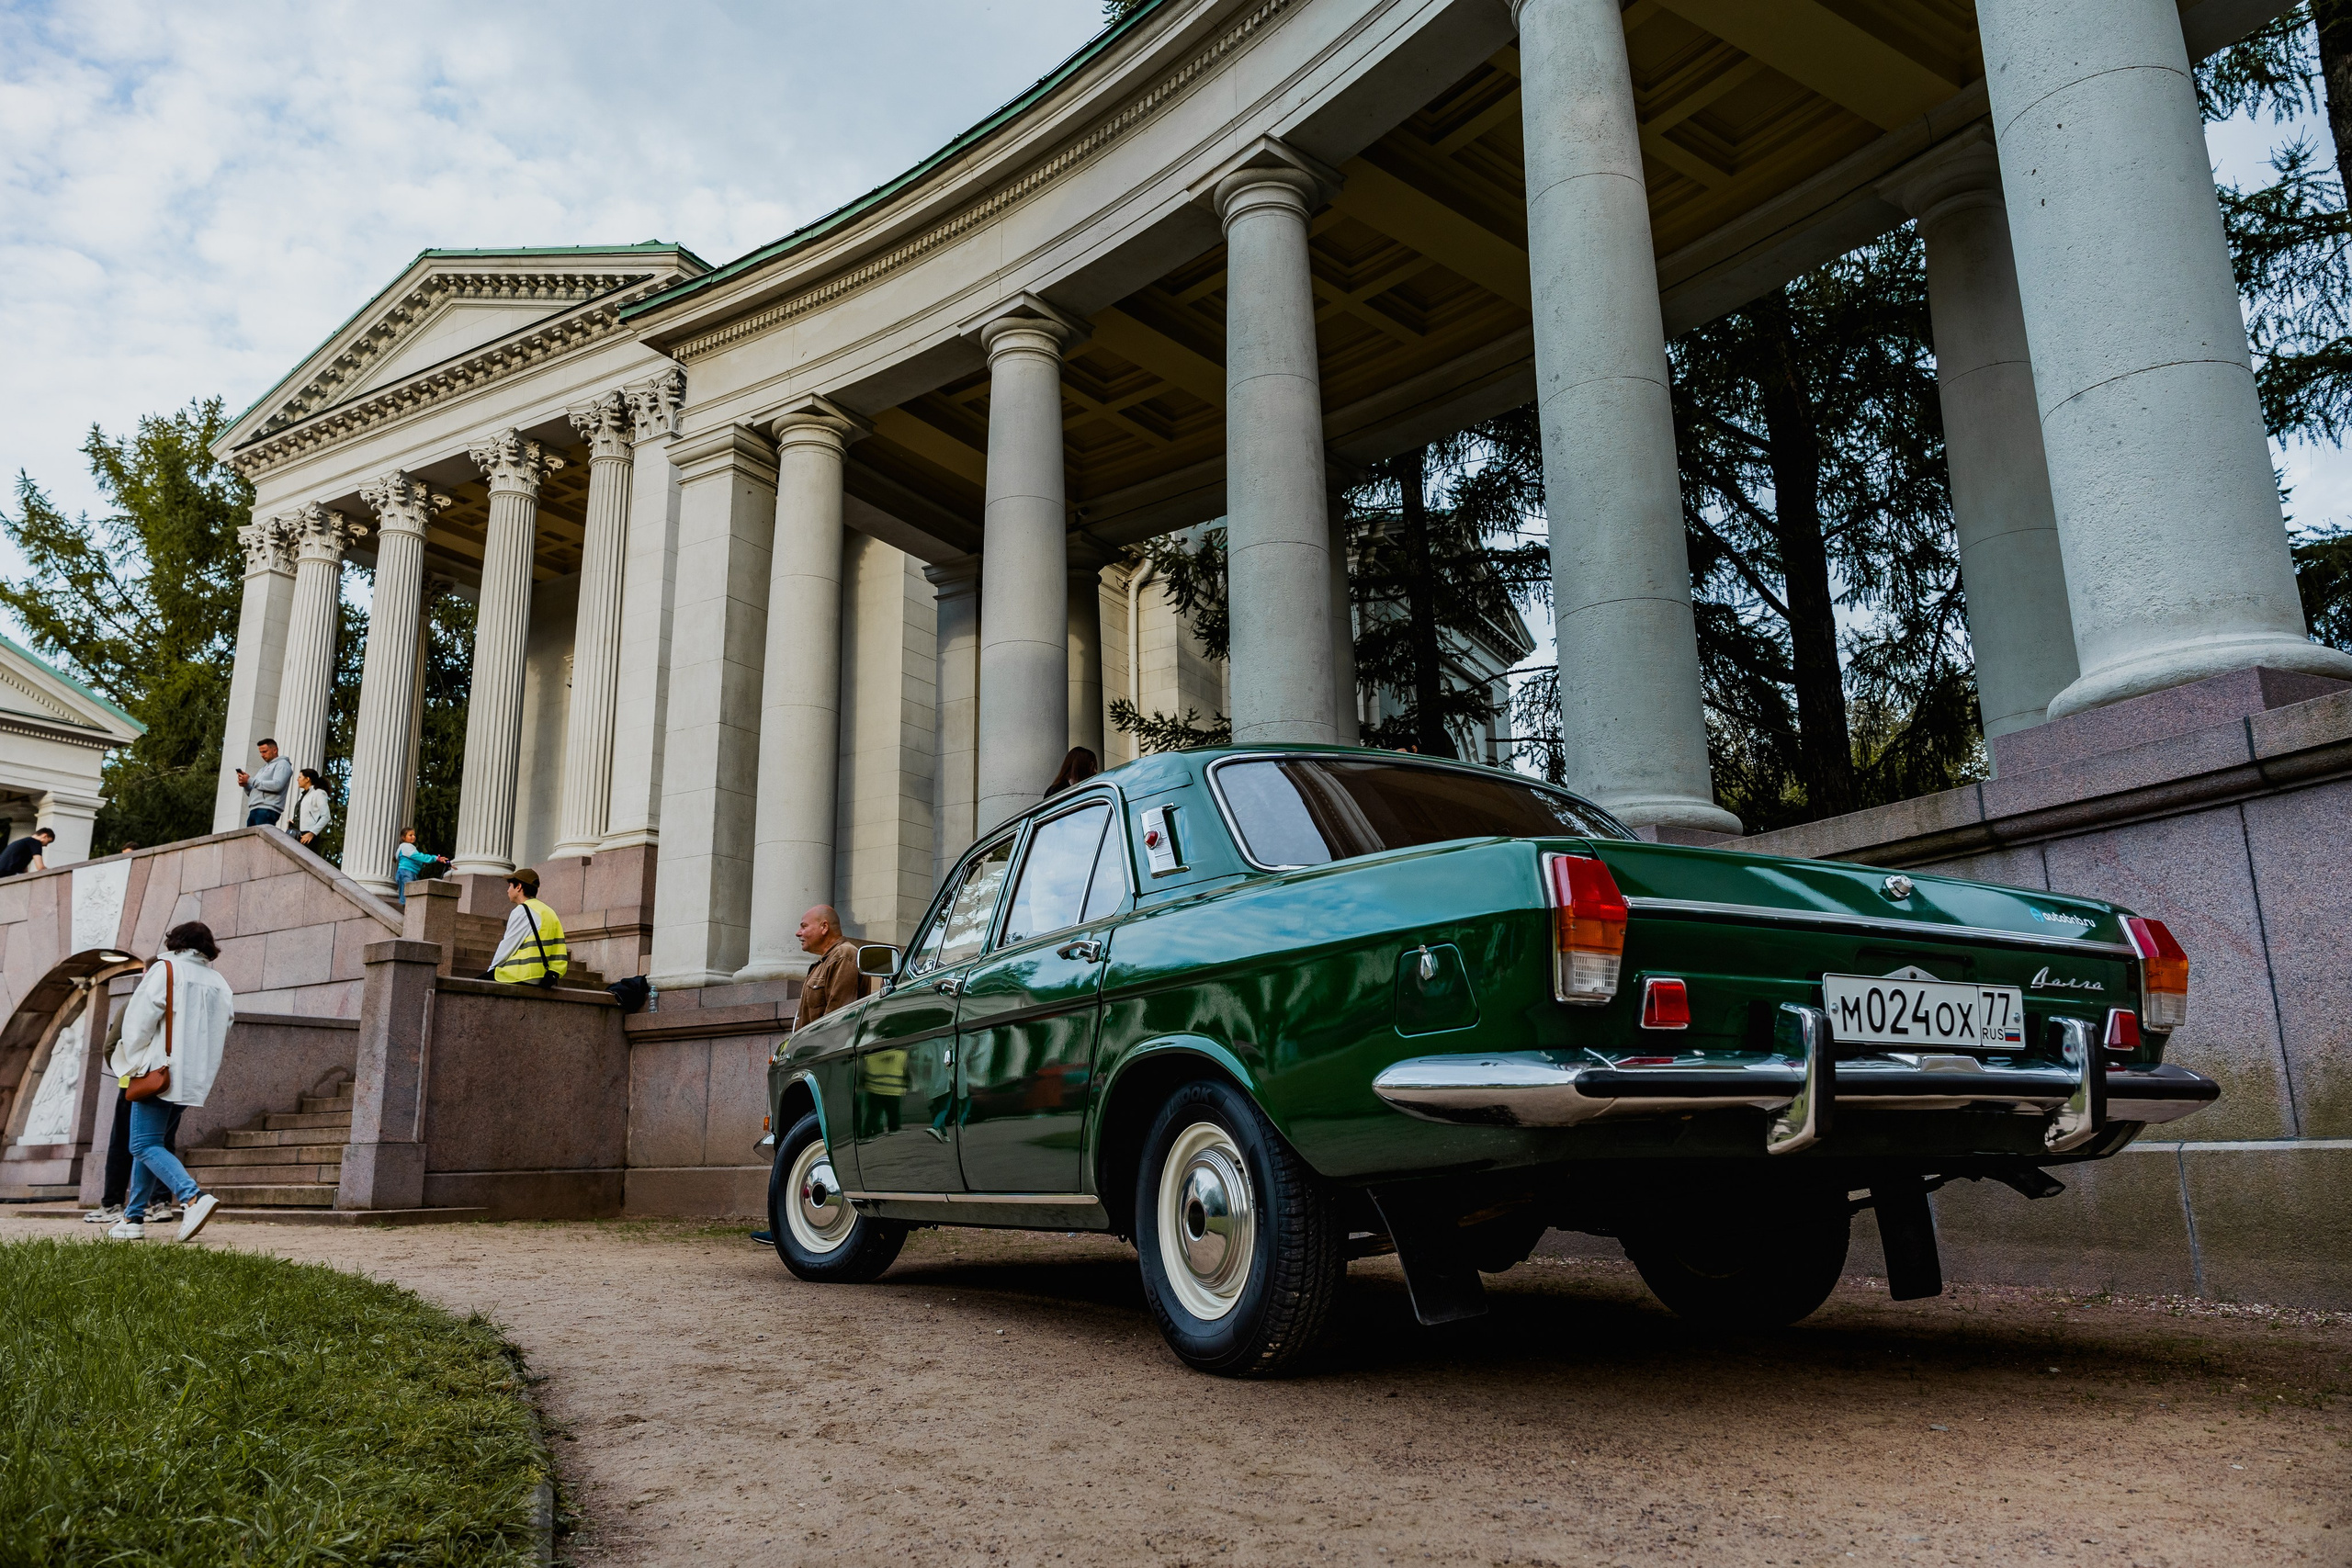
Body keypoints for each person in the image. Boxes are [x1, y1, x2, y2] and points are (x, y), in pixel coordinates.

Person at [105, 921, 234, 1243]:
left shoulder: (165, 969)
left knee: (142, 1144)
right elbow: (225, 1027)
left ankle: (193, 1198)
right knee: (153, 1144)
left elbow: (137, 1023)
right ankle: (133, 1218)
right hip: (192, 1077)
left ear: (175, 942)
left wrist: (132, 1062)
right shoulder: (218, 981)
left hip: (158, 1071)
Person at [82, 991, 185, 1226]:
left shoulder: (137, 1001)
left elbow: (111, 1045)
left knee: (126, 1144)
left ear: (146, 973)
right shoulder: (182, 1002)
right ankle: (161, 1204)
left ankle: (112, 1204)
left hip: (136, 1084)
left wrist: (124, 1069)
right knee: (163, 1142)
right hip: (170, 1083)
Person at [485, 868, 568, 987]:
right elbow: (559, 949)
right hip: (543, 977)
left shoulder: (522, 911)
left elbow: (507, 946)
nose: (507, 890)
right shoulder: (548, 911)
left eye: (510, 886)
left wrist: (491, 970)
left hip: (519, 974)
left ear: (518, 887)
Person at [237, 739, 290, 828]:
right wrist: (246, 785)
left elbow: (277, 785)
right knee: (251, 840)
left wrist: (250, 780)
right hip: (255, 808)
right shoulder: (263, 768)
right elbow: (252, 792)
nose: (262, 755)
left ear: (275, 750)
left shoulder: (283, 764)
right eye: (260, 752)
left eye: (264, 752)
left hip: (268, 809)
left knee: (260, 840)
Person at [394, 828, 451, 905]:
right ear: (403, 837)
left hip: (409, 872)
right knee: (407, 893)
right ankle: (406, 909)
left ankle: (407, 907)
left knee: (408, 892)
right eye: (410, 835)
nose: (413, 837)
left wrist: (423, 863)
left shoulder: (407, 847)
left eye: (414, 835)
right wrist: (435, 858)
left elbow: (415, 860)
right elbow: (419, 857)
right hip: (406, 872)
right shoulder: (406, 846)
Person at [284, 768, 331, 846]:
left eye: (299, 777)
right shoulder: (302, 795)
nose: (297, 779)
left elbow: (326, 816)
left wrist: (312, 833)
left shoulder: (319, 793)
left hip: (308, 837)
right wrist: (293, 821)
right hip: (296, 834)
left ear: (307, 779)